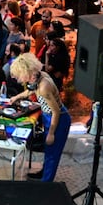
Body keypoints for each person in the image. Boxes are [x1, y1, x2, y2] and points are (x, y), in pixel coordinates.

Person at [10, 53, 71, 181]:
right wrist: (17, 97)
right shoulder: (40, 76)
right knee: (48, 151)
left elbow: (56, 112)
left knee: (52, 154)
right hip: (49, 117)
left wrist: (51, 133)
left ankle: (46, 183)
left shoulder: (44, 87)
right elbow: (32, 90)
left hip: (58, 119)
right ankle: (44, 174)